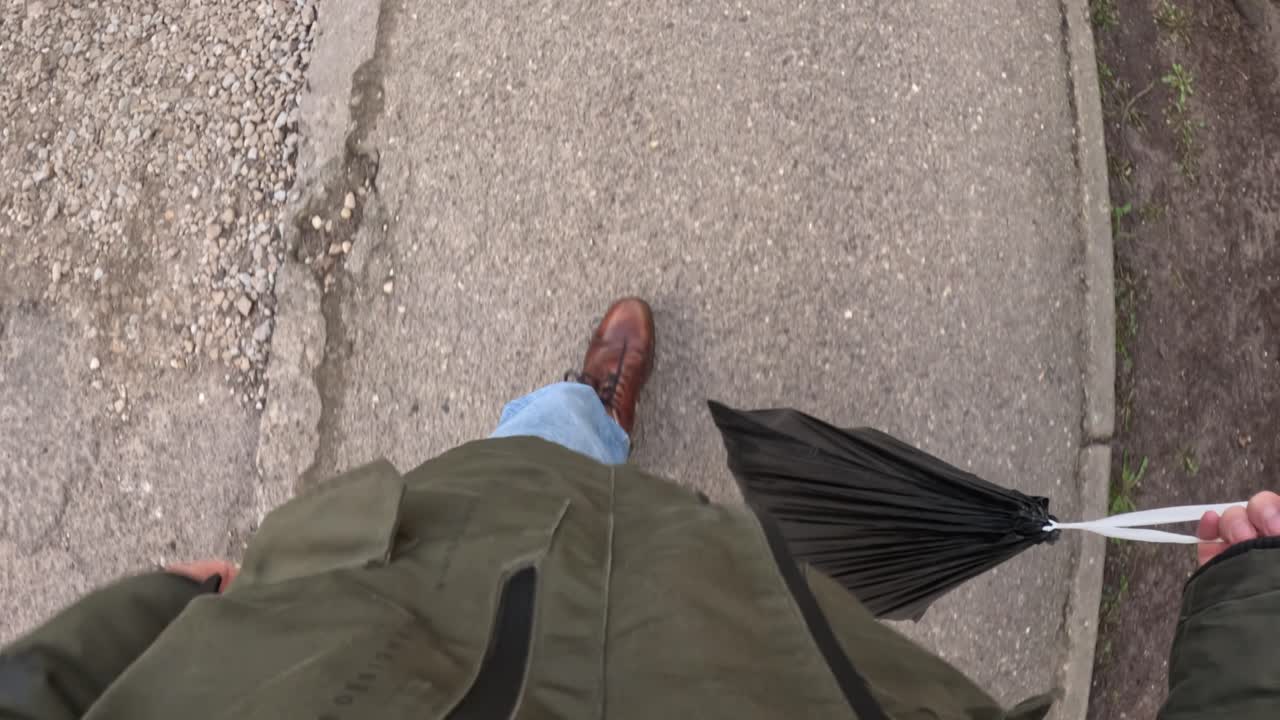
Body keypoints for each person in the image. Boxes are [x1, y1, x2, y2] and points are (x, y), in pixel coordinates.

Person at [0, 297, 1273, 720]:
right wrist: (1248, 617)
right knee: (729, 592)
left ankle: (582, 415)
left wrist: (177, 605)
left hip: (387, 623)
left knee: (530, 466)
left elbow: (45, 687)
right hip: (762, 679)